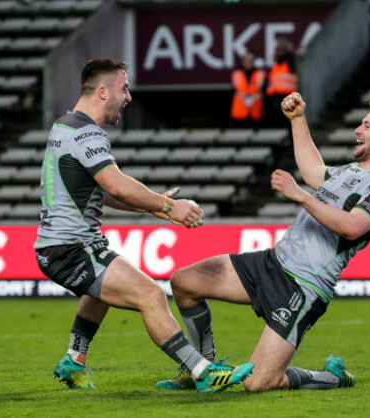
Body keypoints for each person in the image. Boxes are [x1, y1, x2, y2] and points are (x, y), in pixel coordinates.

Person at [157, 94, 370, 392]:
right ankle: (202, 367)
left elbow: (351, 228)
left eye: (367, 126)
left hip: (303, 286)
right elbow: (311, 171)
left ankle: (331, 377)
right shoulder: (349, 171)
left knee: (258, 384)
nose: (358, 130)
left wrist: (301, 195)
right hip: (271, 263)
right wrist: (297, 119)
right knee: (184, 282)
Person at [34, 58, 253, 393]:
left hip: (65, 244)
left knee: (103, 289)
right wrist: (169, 206)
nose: (129, 97)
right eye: (124, 88)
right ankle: (202, 371)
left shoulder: (63, 126)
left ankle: (74, 360)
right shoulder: (87, 132)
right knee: (150, 295)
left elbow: (100, 190)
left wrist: (154, 209)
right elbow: (117, 185)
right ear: (103, 91)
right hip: (70, 248)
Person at [265, 37, 297, 127]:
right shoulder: (276, 64)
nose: (276, 51)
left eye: (279, 48)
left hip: (287, 97)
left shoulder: (291, 61)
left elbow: (293, 65)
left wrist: (289, 52)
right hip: (275, 99)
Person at [230, 51, 266, 126]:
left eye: (251, 60)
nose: (249, 62)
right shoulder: (236, 74)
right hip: (240, 112)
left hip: (256, 112)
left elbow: (264, 93)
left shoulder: (261, 74)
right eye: (247, 60)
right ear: (243, 61)